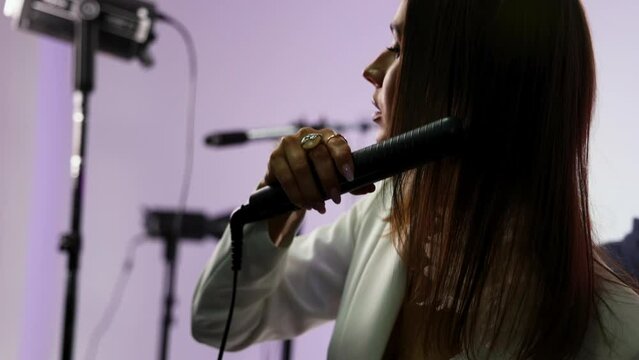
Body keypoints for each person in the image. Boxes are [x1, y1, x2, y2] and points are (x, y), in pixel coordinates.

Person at [192, 0, 639, 358]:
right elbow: (219, 318)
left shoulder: (621, 334)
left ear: (471, 79)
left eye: (401, 47)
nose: (371, 70)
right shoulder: (385, 216)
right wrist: (277, 206)